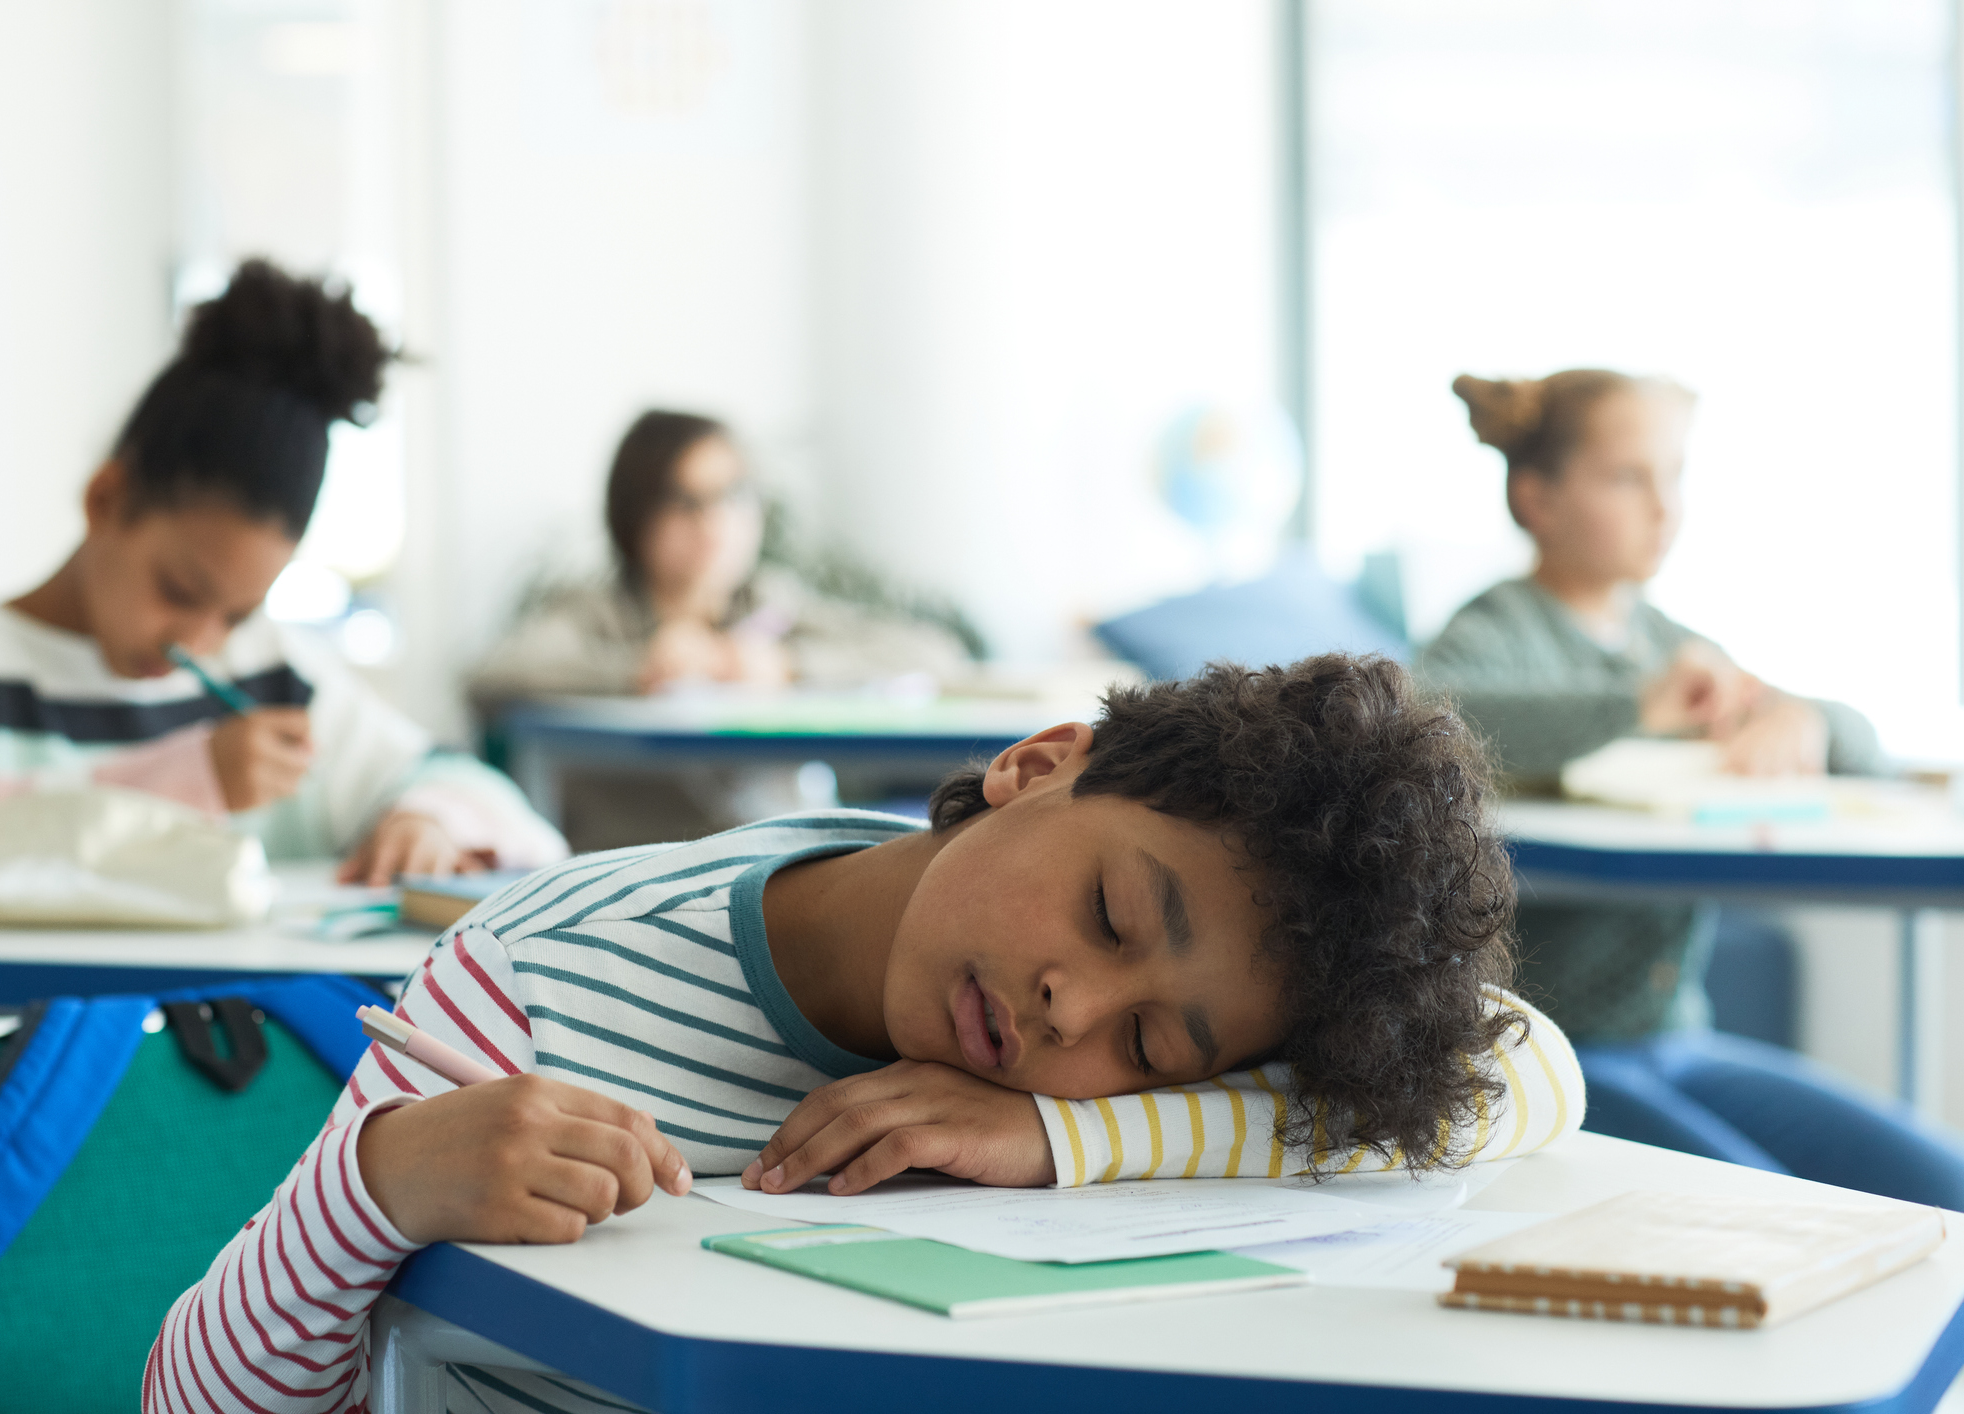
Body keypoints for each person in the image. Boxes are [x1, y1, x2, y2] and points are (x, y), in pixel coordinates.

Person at [146, 657, 1585, 1413]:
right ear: (1034, 767)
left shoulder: (1088, 1093)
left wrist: (1065, 1131)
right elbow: (186, 1400)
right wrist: (373, 1184)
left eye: (1150, 1046)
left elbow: (1526, 1067)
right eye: (1102, 911)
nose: (1070, 1009)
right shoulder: (534, 990)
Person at [0, 260, 564, 906]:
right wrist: (178, 783)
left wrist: (424, 817)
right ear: (105, 501)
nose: (200, 641)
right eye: (181, 592)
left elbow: (502, 812)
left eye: (240, 612)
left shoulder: (271, 670)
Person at [1424, 368, 1964, 1207]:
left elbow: (1865, 754)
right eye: (1626, 477)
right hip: (1547, 1055)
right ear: (1536, 498)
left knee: (1939, 1183)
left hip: (1678, 1039)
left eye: (1672, 475)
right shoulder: (1493, 633)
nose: (1662, 506)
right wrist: (1631, 706)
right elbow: (1435, 717)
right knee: (1777, 1211)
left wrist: (1804, 722)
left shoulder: (1676, 646)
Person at [470, 409, 975, 847]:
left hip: (781, 865)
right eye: (683, 500)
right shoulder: (596, 613)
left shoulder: (773, 606)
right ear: (633, 514)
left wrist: (788, 664)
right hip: (637, 872)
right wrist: (639, 669)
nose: (714, 521)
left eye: (733, 496)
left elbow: (933, 653)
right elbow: (495, 674)